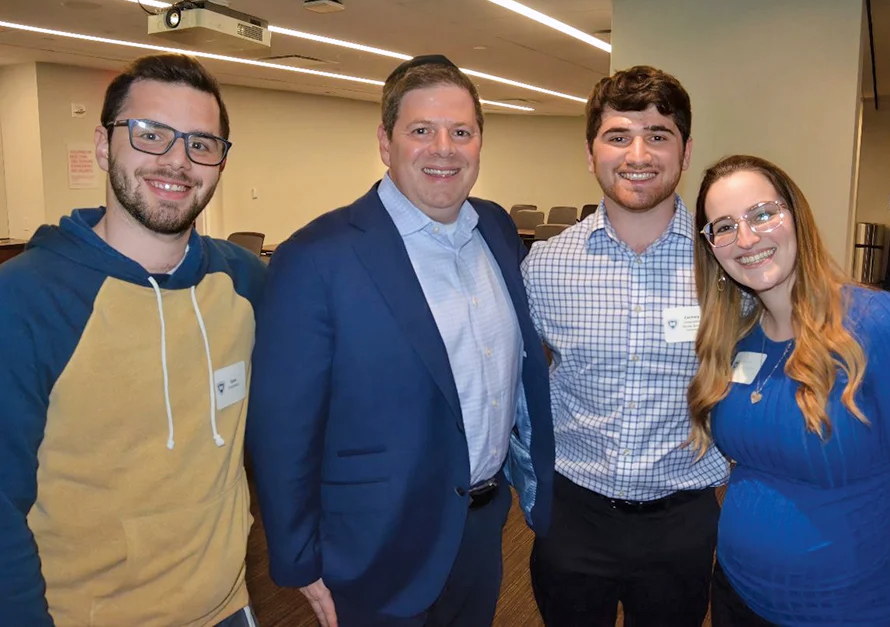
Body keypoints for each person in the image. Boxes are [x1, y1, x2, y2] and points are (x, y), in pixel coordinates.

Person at [247, 54, 554, 627]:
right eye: (421, 131)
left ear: (480, 143)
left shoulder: (496, 228)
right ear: (386, 142)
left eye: (461, 132)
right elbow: (283, 424)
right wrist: (295, 555)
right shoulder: (315, 257)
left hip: (483, 527)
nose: (444, 148)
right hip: (372, 545)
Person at [0, 54, 265, 627]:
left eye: (201, 143)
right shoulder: (24, 301)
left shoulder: (245, 283)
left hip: (229, 607)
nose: (176, 159)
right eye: (150, 134)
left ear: (219, 163)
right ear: (103, 145)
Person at [521, 65, 729, 626]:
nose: (638, 153)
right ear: (591, 154)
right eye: (618, 136)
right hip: (572, 515)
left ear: (685, 154)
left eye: (658, 135)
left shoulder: (727, 265)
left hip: (682, 521)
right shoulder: (545, 266)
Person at [689, 154, 890, 625]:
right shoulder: (736, 338)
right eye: (723, 226)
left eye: (762, 214)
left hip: (848, 607)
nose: (746, 238)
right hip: (737, 594)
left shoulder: (874, 325)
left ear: (796, 216)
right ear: (712, 248)